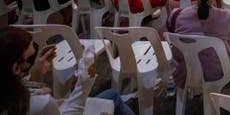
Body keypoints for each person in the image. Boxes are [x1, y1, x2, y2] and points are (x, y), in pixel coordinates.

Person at [0, 26, 135, 115]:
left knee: (111, 95)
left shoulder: (9, 92)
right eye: (30, 58)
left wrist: (36, 76)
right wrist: (86, 77)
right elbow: (73, 110)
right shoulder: (39, 103)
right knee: (113, 97)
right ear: (16, 68)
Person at [166, 0, 230, 90]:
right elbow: (229, 40)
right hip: (216, 73)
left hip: (186, 72)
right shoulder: (228, 16)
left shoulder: (176, 15)